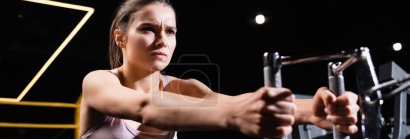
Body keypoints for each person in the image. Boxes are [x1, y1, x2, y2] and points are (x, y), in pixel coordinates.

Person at [79, 0, 360, 138]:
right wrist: (236, 114)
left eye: (171, 31)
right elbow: (146, 107)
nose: (163, 40)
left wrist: (312, 110)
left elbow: (232, 101)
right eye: (148, 30)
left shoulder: (182, 86)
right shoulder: (98, 82)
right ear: (121, 37)